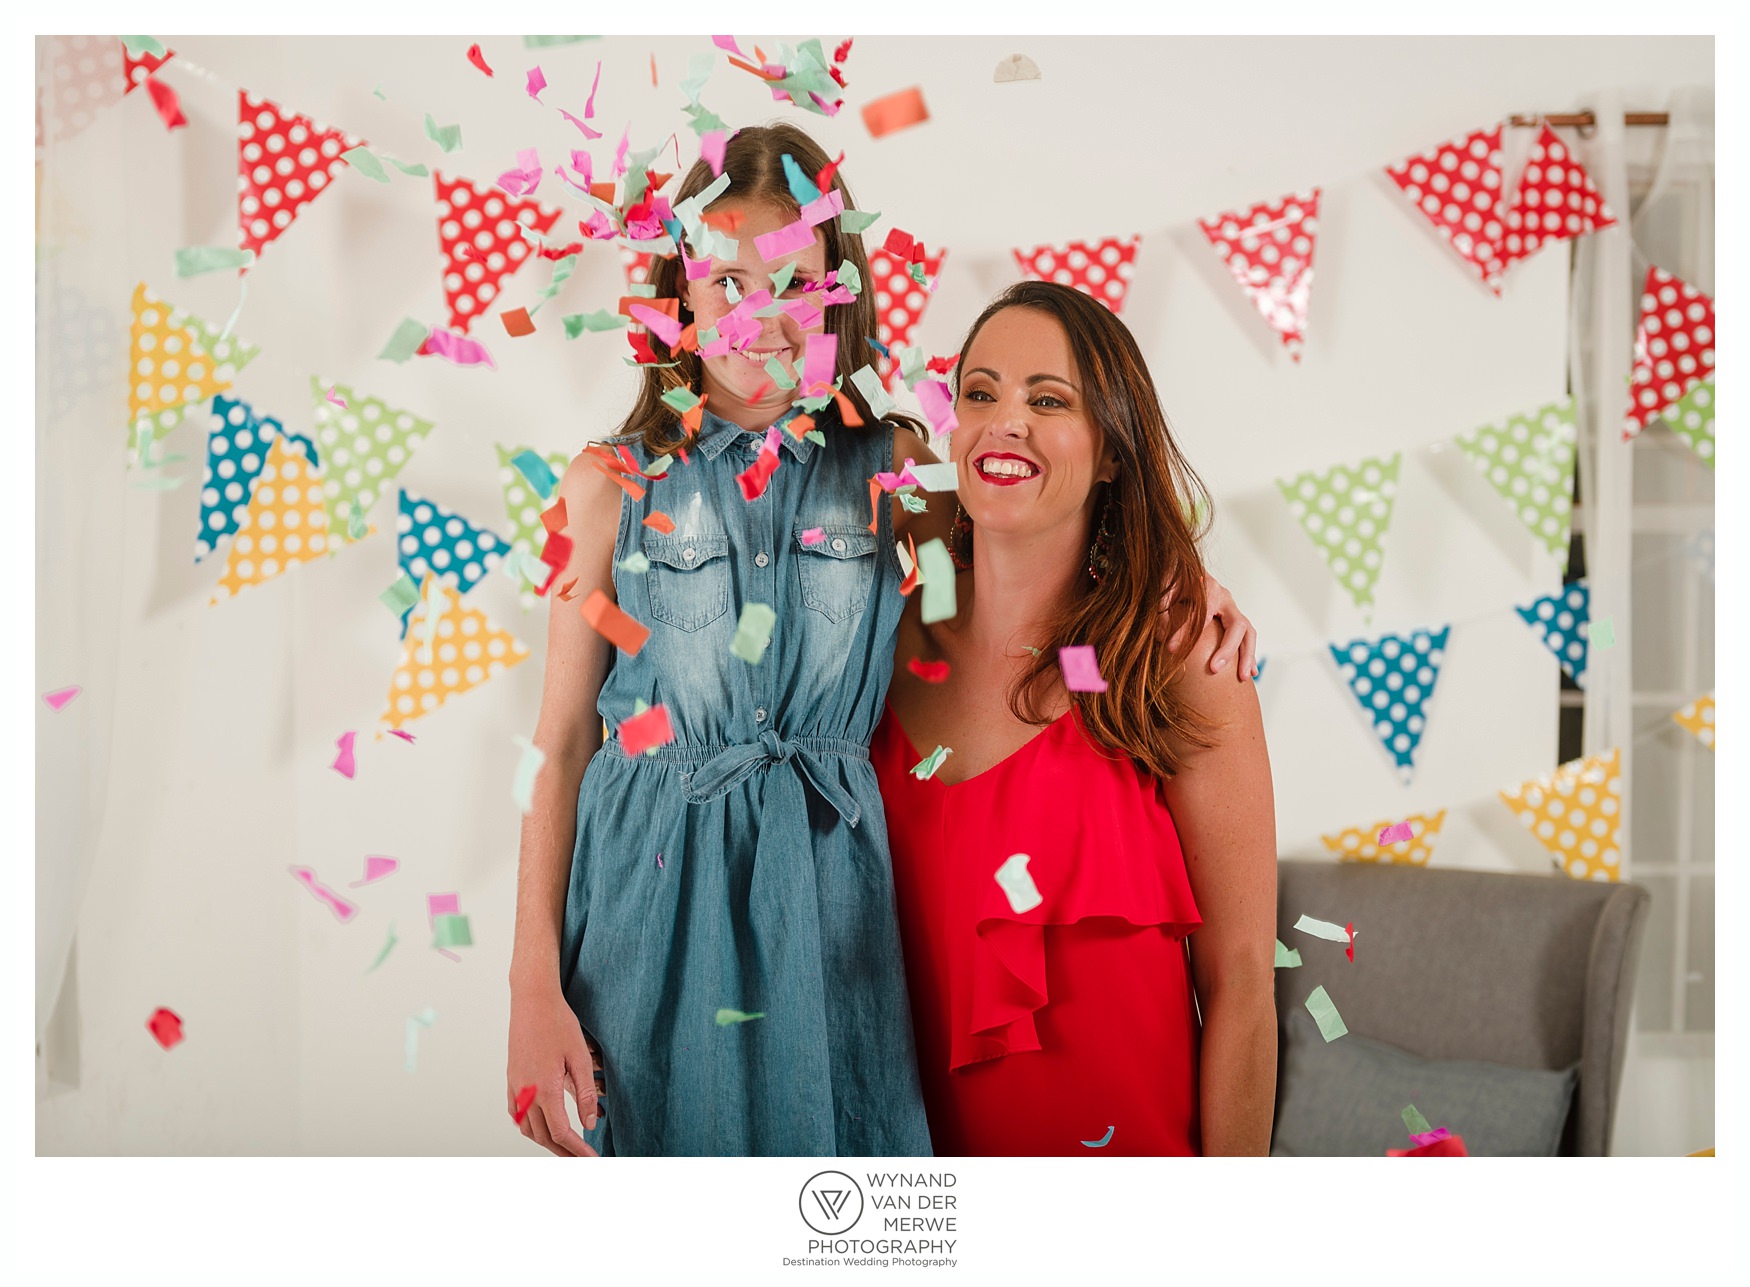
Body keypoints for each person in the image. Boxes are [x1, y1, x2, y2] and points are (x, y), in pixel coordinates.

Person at [505, 123, 1259, 1156]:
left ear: (837, 291)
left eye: (795, 284)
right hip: (652, 914)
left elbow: (1036, 515)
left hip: (829, 919)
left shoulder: (892, 469)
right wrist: (530, 989)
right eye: (728, 283)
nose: (761, 319)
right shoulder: (604, 488)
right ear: (680, 289)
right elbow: (557, 750)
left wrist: (1179, 574)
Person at [873, 280, 1279, 1156]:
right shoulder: (881, 639)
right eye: (979, 392)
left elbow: (1244, 984)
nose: (1004, 420)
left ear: (1110, 453)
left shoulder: (1179, 653)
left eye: (1048, 400)